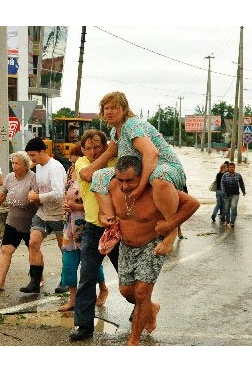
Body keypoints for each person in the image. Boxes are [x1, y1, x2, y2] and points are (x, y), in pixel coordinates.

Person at [99, 155, 200, 345]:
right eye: (121, 180)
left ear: (141, 176)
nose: (124, 186)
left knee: (141, 293)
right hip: (126, 246)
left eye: (129, 180)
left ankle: (134, 340)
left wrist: (169, 225)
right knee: (126, 291)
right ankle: (151, 308)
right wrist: (104, 218)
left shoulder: (155, 190)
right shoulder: (113, 187)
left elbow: (192, 204)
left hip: (151, 244)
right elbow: (104, 211)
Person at [97, 91, 186, 253]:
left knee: (157, 178)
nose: (109, 111)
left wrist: (139, 188)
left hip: (165, 166)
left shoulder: (131, 125)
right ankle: (113, 226)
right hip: (141, 169)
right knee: (99, 177)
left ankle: (171, 230)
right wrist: (85, 171)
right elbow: (110, 159)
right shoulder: (114, 132)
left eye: (114, 107)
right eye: (106, 108)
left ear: (124, 109)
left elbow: (152, 154)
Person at [69, 130, 119, 340]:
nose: (92, 152)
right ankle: (84, 326)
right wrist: (108, 152)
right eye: (88, 148)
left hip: (118, 229)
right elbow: (88, 175)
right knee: (87, 278)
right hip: (92, 228)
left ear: (104, 146)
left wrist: (111, 152)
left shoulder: (117, 162)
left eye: (97, 147)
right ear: (82, 149)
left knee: (128, 278)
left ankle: (143, 310)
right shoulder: (81, 163)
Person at [59, 144, 109, 312]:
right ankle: (72, 298)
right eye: (71, 162)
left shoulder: (94, 174)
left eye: (76, 161)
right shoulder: (69, 172)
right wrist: (67, 207)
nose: (73, 165)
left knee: (91, 264)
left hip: (88, 223)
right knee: (68, 262)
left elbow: (96, 204)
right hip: (70, 224)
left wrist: (76, 207)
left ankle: (103, 288)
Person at [0, 151, 38, 291]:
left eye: (17, 163)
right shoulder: (9, 178)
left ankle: (38, 278)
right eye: (12, 163)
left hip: (30, 223)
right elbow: (3, 195)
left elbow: (38, 199)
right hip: (13, 221)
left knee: (33, 251)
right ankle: (0, 282)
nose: (14, 166)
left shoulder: (33, 178)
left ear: (26, 165)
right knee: (5, 250)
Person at [20, 137, 67, 293]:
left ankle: (66, 281)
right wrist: (37, 197)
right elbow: (42, 189)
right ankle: (35, 281)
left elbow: (59, 193)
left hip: (60, 214)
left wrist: (38, 197)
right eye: (29, 156)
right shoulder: (39, 167)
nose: (31, 159)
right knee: (33, 242)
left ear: (42, 151)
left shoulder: (54, 167)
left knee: (65, 249)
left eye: (33, 155)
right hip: (43, 213)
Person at [221, 162, 246, 228]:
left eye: (233, 167)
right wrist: (224, 193)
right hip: (227, 194)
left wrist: (243, 191)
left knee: (233, 207)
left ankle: (232, 222)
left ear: (234, 168)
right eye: (230, 167)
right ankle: (227, 220)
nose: (231, 169)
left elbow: (241, 183)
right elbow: (222, 184)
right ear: (228, 168)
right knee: (226, 208)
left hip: (235, 194)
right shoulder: (225, 175)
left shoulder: (238, 175)